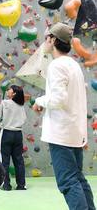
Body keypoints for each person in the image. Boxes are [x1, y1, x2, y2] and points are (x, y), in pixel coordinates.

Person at [32, 22, 95, 210]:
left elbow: (58, 99)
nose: (45, 42)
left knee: (68, 182)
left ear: (53, 40)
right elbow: (77, 102)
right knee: (78, 179)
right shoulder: (73, 65)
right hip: (74, 133)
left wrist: (39, 101)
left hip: (61, 133)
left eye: (46, 38)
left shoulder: (57, 65)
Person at [0, 85, 27, 191]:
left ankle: (6, 185)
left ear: (14, 93)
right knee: (19, 160)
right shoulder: (21, 105)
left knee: (4, 160)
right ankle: (21, 185)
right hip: (18, 134)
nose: (7, 90)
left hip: (6, 133)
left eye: (9, 89)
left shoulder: (4, 103)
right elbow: (24, 119)